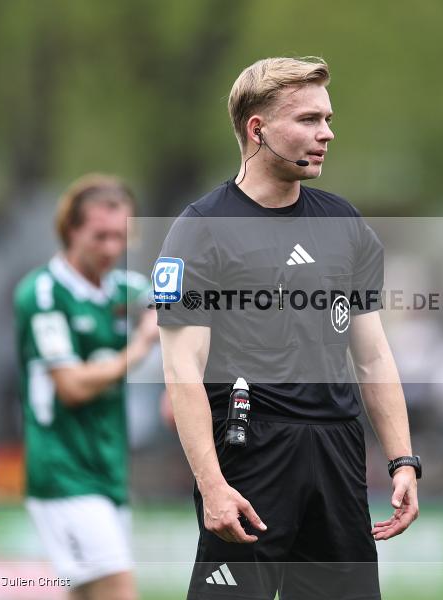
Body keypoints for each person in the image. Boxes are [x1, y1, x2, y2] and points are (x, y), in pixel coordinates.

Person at [156, 57, 420, 600]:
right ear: (258, 129)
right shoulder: (200, 230)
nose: (327, 133)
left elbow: (371, 354)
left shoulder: (345, 223)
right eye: (307, 119)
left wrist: (402, 459)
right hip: (250, 455)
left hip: (338, 454)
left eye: (326, 118)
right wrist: (211, 486)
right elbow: (182, 368)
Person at [13, 173, 160, 600]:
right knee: (118, 589)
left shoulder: (121, 289)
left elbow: (173, 303)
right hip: (63, 472)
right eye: (101, 236)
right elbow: (72, 386)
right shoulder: (43, 294)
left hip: (108, 471)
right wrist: (140, 347)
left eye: (120, 236)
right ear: (71, 230)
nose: (113, 248)